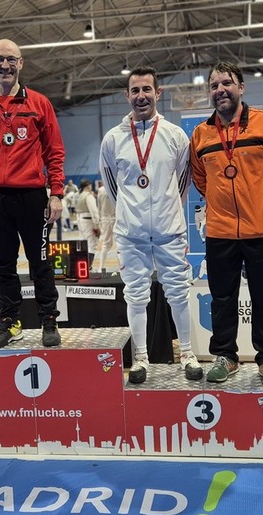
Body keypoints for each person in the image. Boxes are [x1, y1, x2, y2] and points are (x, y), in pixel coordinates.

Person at [189, 61, 263, 388]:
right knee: (221, 298)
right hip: (220, 232)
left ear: (241, 87)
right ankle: (226, 356)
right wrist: (222, 204)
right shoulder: (201, 133)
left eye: (226, 83)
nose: (220, 90)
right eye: (214, 85)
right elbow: (199, 177)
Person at [101, 66, 204, 383]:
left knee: (178, 292)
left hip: (169, 231)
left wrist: (163, 211)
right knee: (135, 295)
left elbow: (184, 183)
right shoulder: (113, 139)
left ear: (158, 93)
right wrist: (132, 216)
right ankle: (141, 358)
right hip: (130, 235)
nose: (141, 96)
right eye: (135, 91)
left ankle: (186, 353)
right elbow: (111, 185)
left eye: (147, 89)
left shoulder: (175, 136)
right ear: (127, 96)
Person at [0, 38, 65, 349]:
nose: (5, 65)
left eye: (11, 59)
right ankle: (9, 322)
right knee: (3, 263)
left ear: (20, 64)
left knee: (40, 261)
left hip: (32, 196)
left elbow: (54, 151)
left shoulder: (39, 104)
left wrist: (56, 192)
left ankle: (49, 319)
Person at [75, 179, 100, 264]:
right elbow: (94, 211)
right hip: (87, 221)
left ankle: (81, 265)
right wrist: (97, 226)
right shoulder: (89, 196)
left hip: (80, 220)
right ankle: (88, 266)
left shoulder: (79, 195)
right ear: (88, 186)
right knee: (91, 244)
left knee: (82, 242)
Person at [95, 180, 117, 272]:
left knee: (105, 244)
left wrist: (100, 219)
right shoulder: (116, 188)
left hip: (105, 219)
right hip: (115, 218)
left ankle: (101, 268)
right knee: (120, 244)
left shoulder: (100, 190)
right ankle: (122, 268)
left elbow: (99, 207)